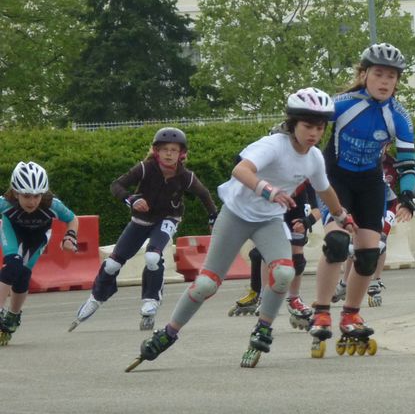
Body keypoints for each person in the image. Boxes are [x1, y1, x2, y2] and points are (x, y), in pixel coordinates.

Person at [126, 88, 351, 371]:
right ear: (293, 124)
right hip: (236, 214)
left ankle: (263, 328)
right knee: (207, 283)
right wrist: (267, 189)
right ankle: (169, 332)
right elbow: (241, 170)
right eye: (307, 126)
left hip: (269, 220)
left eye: (319, 128)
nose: (313, 134)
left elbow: (325, 189)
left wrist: (342, 216)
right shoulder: (273, 145)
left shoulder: (314, 157)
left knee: (283, 272)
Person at [311, 43, 415, 350]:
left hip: (370, 183)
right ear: (364, 75)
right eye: (378, 74)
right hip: (335, 179)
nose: (385, 81)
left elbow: (407, 162)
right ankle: (320, 311)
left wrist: (407, 191)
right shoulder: (344, 104)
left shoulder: (399, 116)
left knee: (369, 254)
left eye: (391, 76)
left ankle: (350, 314)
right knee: (336, 244)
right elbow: (309, 121)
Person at [70, 128, 218, 332]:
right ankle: (97, 297)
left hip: (168, 219)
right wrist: (131, 199)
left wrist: (213, 216)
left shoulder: (186, 176)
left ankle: (151, 301)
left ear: (181, 154)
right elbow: (117, 185)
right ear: (156, 151)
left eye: (174, 150)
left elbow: (204, 194)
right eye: (164, 149)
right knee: (112, 263)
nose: (169, 154)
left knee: (153, 258)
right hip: (140, 221)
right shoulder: (145, 168)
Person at [332, 145, 415, 308]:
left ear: (388, 146)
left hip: (387, 205)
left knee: (380, 243)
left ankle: (375, 282)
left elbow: (409, 181)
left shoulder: (393, 163)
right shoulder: (361, 160)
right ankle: (344, 284)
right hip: (364, 205)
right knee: (353, 246)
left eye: (383, 145)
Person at [0, 162, 80, 345]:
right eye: (26, 196)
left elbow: (73, 219)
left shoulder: (52, 205)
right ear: (16, 192)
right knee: (12, 265)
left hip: (37, 238)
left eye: (36, 196)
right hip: (13, 232)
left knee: (23, 276)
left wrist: (70, 237)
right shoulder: (5, 203)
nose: (32, 201)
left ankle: (13, 315)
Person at [228, 177, 320, 329]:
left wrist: (307, 221)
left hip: (296, 211)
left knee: (298, 259)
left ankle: (294, 298)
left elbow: (318, 210)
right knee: (266, 254)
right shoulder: (273, 173)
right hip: (273, 207)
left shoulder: (306, 180)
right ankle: (264, 296)